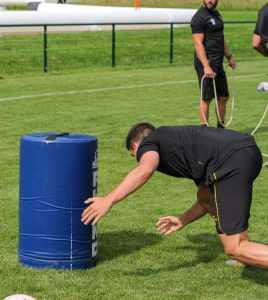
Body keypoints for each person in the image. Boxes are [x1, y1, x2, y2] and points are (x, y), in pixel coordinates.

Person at [82, 122, 268, 270]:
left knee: (234, 248)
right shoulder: (178, 142)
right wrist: (182, 220)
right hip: (248, 151)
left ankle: (244, 251)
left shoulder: (149, 142)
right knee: (204, 194)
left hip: (230, 161)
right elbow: (207, 197)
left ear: (137, 145)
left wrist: (109, 199)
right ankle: (251, 257)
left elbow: (145, 169)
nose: (138, 158)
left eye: (134, 155)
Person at [191, 0, 236, 128]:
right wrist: (206, 66)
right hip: (207, 64)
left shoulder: (217, 14)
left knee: (224, 97)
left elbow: (220, 38)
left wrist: (229, 56)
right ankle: (204, 130)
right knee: (207, 98)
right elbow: (198, 44)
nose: (210, 0)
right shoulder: (199, 17)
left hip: (218, 63)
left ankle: (220, 129)